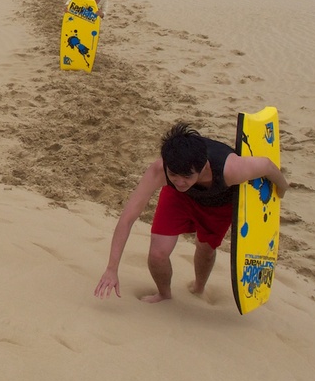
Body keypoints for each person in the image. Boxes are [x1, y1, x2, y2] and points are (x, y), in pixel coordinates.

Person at [94, 122, 289, 304]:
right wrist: (112, 268)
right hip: (179, 200)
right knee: (157, 254)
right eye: (173, 175)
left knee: (205, 249)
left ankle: (198, 287)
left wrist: (282, 188)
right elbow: (127, 218)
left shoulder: (232, 169)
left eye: (186, 176)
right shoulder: (160, 170)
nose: (179, 181)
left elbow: (267, 166)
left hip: (219, 203)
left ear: (203, 167)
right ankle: (164, 294)